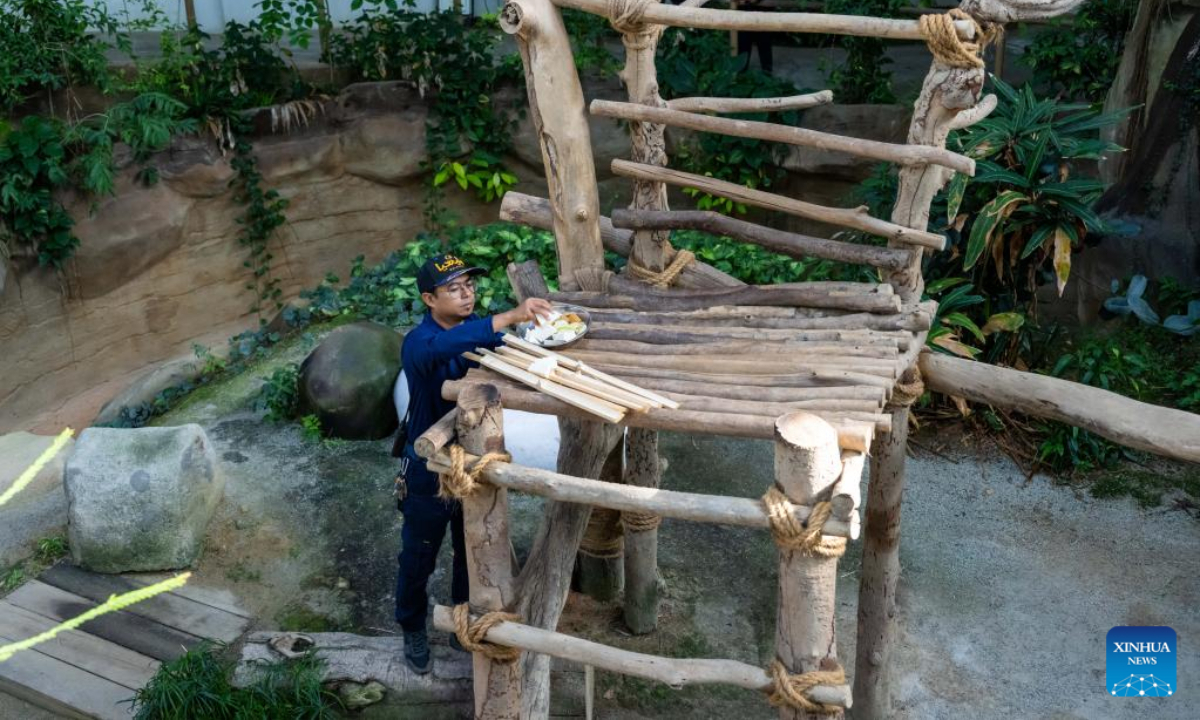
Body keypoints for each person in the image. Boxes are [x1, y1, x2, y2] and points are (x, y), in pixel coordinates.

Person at [394, 252, 552, 675]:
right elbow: (447, 346)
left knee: (471, 550)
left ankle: (459, 621)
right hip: (430, 468)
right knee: (418, 554)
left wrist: (541, 337)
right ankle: (411, 625)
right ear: (429, 298)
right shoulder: (419, 341)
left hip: (472, 462)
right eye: (454, 289)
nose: (467, 294)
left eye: (470, 285)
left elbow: (502, 346)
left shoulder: (472, 326)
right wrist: (505, 317)